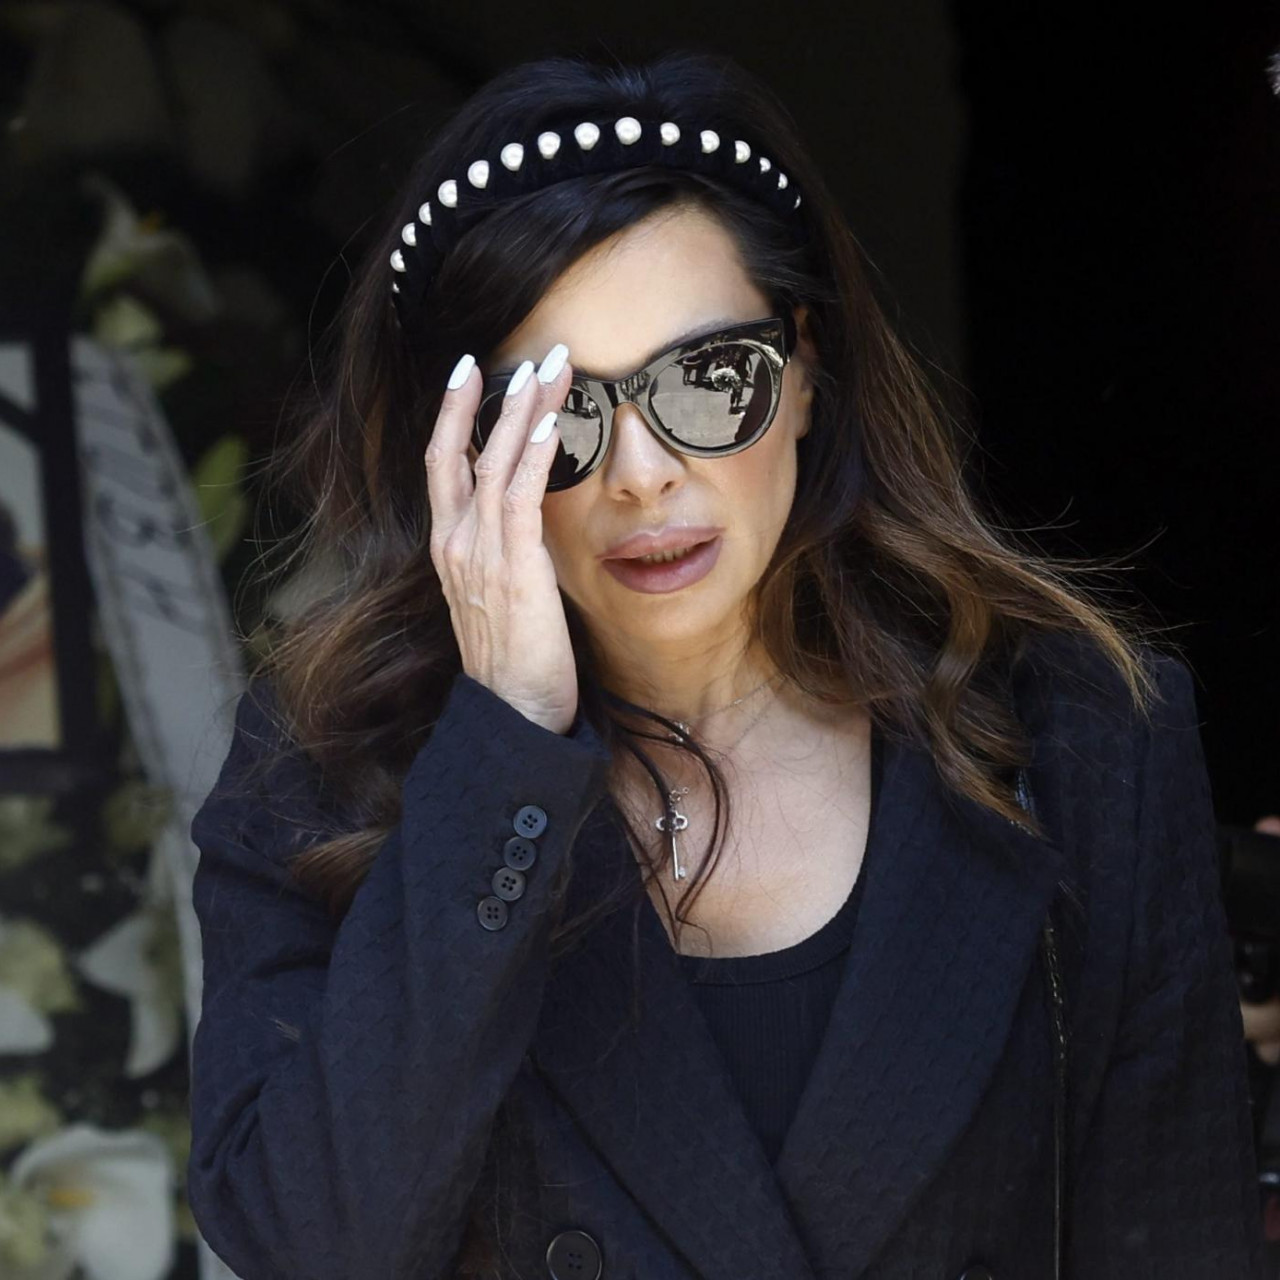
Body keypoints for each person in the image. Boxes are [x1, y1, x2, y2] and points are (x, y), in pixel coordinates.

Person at [184, 49, 1264, 1280]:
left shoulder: (1079, 742)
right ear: (464, 442)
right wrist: (504, 740)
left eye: (709, 381)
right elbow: (312, 1244)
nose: (643, 472)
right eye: (561, 416)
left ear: (803, 372)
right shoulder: (324, 762)